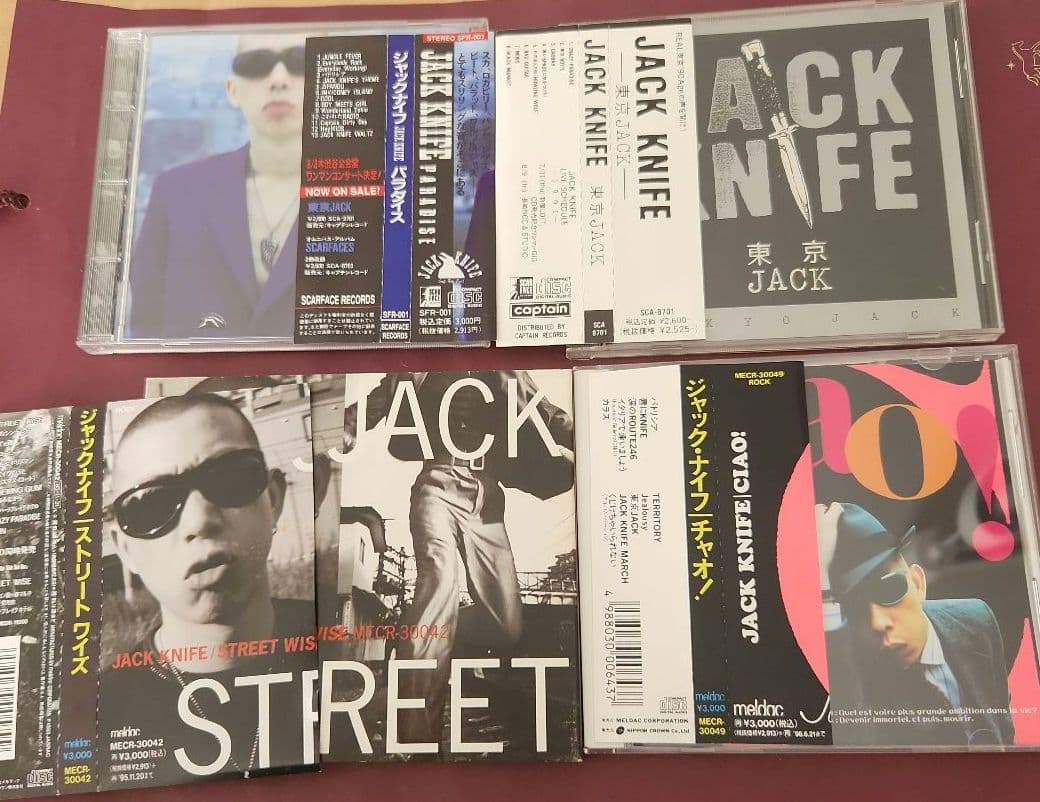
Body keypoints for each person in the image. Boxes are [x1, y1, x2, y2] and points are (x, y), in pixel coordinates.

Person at [343, 371, 574, 748]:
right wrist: (347, 425)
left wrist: (588, 435)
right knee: (439, 584)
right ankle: (416, 745)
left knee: (505, 626)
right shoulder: (420, 365)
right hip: (437, 484)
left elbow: (542, 409)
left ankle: (419, 634)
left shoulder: (502, 367)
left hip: (487, 497)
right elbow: (377, 400)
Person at [100, 394, 315, 784]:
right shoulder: (99, 716)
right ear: (126, 549)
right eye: (151, 504)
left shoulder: (355, 640)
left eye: (229, 478)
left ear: (274, 499)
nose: (200, 520)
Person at [127, 34, 305, 339]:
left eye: (301, 62)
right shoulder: (176, 193)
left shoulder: (378, 196)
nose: (279, 79)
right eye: (256, 64)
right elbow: (146, 323)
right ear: (232, 90)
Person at [816, 501, 1015, 746]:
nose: (878, 623)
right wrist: (825, 593)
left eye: (889, 589)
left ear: (918, 583)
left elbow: (1003, 724)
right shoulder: (852, 679)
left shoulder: (977, 619)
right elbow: (851, 744)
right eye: (853, 609)